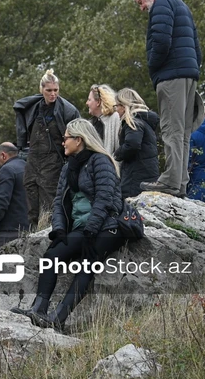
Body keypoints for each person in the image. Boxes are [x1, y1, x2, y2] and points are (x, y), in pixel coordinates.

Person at [13, 118, 125, 330]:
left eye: (66, 138)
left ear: (79, 140)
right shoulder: (68, 167)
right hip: (81, 228)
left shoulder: (100, 162)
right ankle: (39, 309)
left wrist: (91, 231)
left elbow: (105, 200)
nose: (63, 142)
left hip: (105, 227)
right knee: (51, 257)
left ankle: (58, 317)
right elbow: (58, 202)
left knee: (87, 263)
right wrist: (59, 230)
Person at [132, 0, 203, 198]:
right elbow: (197, 46)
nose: (142, 8)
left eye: (140, 2)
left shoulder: (161, 4)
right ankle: (180, 182)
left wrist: (153, 67)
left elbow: (161, 41)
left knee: (171, 129)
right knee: (182, 132)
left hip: (171, 75)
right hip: (189, 74)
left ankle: (171, 182)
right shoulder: (180, 4)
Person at [14, 69, 81, 227]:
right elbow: (22, 125)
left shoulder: (67, 110)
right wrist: (21, 147)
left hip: (54, 160)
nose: (53, 94)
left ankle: (48, 234)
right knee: (30, 193)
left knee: (49, 201)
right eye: (49, 90)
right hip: (33, 158)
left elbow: (78, 135)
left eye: (56, 90)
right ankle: (32, 232)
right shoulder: (33, 107)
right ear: (41, 89)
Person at [0, 143, 30, 250]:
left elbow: (1, 202)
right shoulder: (25, 166)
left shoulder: (7, 170)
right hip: (26, 228)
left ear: (3, 155)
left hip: (8, 230)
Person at [113, 88, 160, 198]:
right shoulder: (145, 122)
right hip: (147, 174)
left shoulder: (133, 122)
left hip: (135, 177)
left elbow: (132, 145)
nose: (116, 110)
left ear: (124, 106)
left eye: (117, 106)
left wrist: (116, 154)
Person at [86, 84, 121, 155]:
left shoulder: (115, 118)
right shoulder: (91, 123)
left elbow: (119, 148)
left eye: (89, 99)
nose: (87, 103)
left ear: (98, 102)